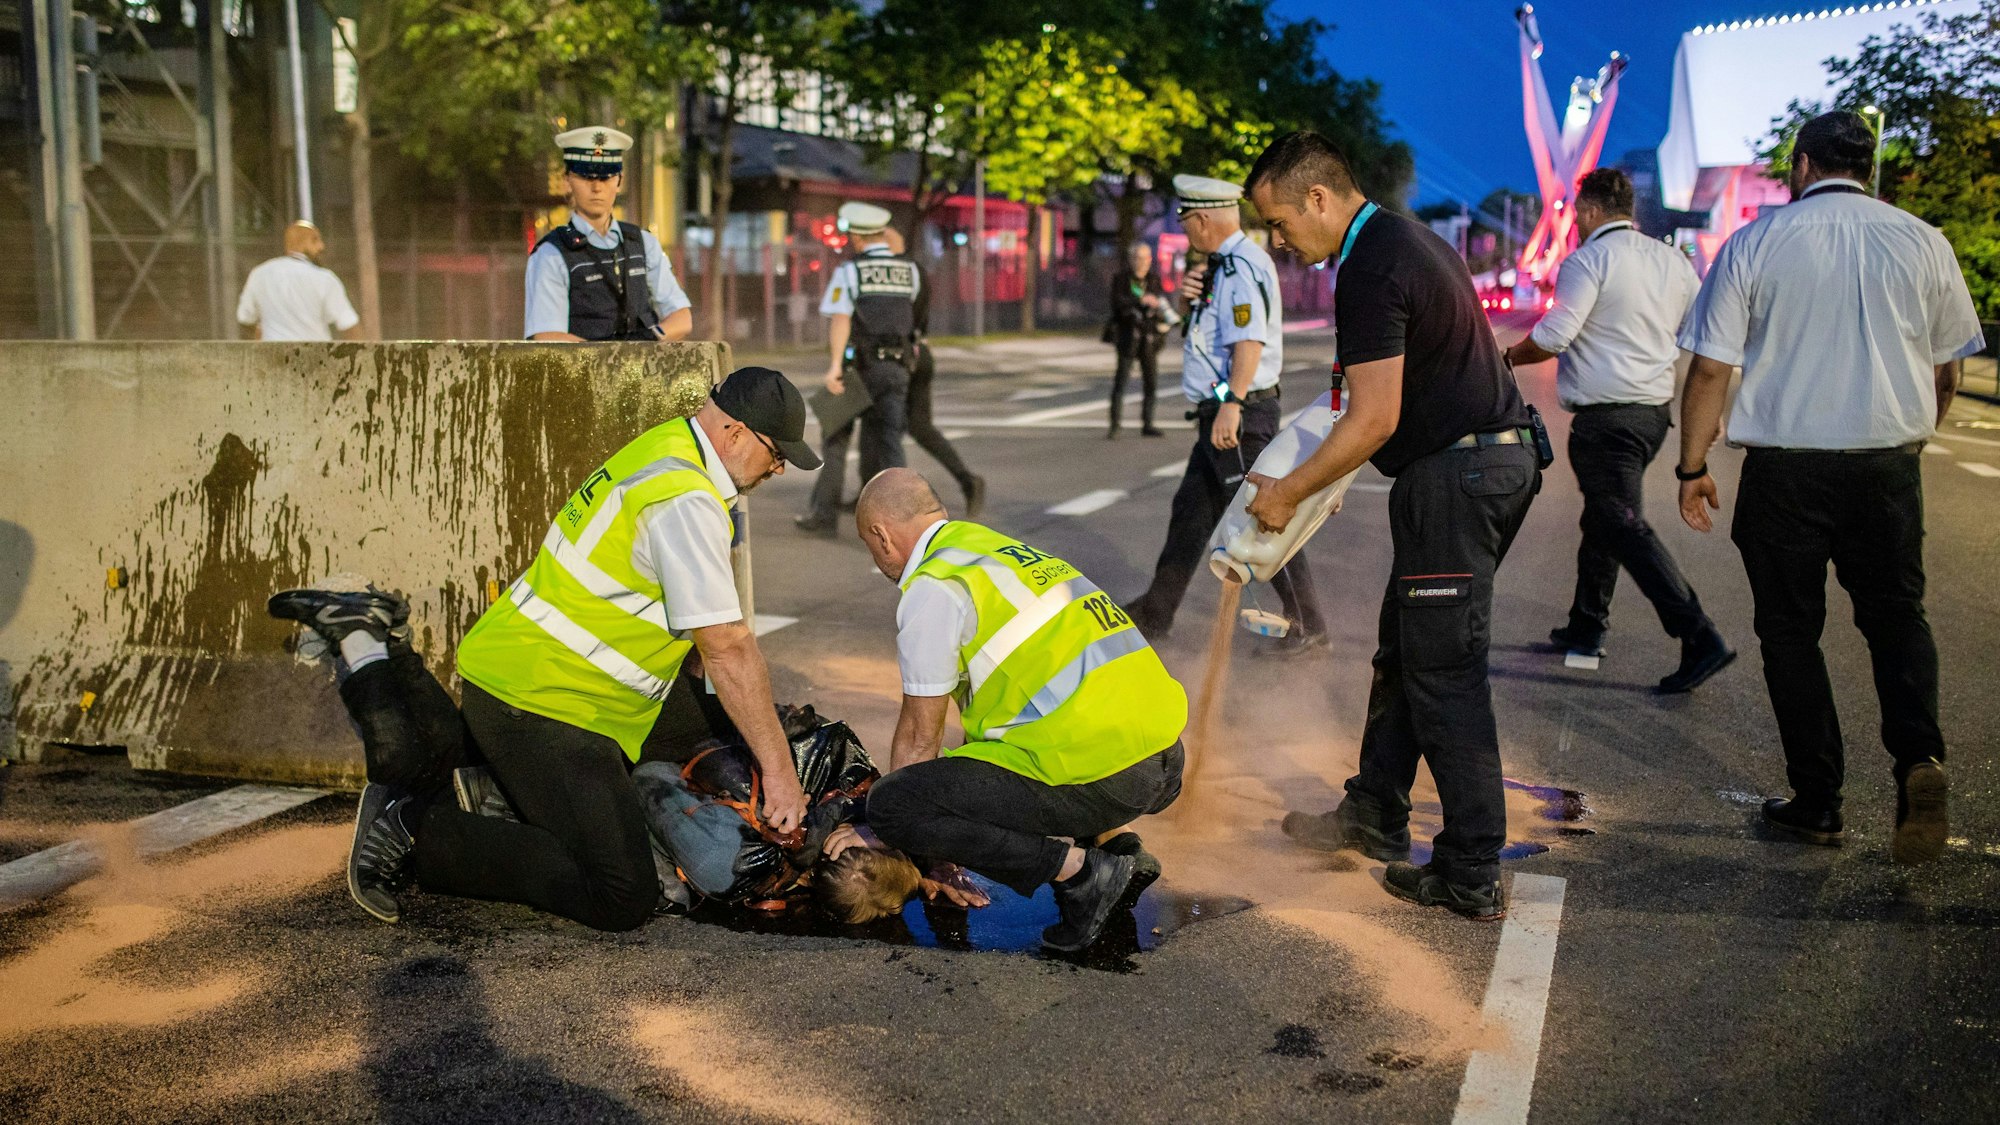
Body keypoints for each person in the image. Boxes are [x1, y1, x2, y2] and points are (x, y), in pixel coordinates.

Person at [269, 367, 823, 930]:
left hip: (552, 674)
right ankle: (415, 830)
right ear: (736, 433)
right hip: (544, 700)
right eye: (777, 454)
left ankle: (484, 780)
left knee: (719, 725)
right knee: (622, 894)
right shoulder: (684, 500)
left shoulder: (670, 448)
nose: (777, 469)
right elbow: (729, 650)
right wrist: (780, 776)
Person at [1674, 110, 1984, 864]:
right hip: (1886, 465)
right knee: (1897, 617)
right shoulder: (1923, 241)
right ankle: (1919, 757)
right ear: (1867, 168)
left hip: (1787, 472)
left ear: (1803, 165)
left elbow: (1711, 368)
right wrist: (1913, 437)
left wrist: (1692, 466)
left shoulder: (1756, 242)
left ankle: (1817, 801)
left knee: (1790, 632)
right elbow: (1948, 370)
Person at [1245, 132, 1539, 921]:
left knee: (1443, 670)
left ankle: (1469, 867)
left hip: (1459, 476)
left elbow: (1373, 416)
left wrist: (1290, 493)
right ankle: (1374, 810)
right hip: (1472, 466)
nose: (1278, 241)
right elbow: (1379, 405)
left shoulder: (1372, 266)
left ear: (1318, 197)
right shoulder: (1405, 239)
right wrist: (1326, 480)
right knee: (1405, 652)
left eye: (1279, 223)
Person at [854, 468, 1188, 952]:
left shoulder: (934, 587)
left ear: (882, 536)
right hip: (1165, 758)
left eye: (869, 544)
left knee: (894, 802)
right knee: (1023, 745)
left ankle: (1083, 875)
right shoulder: (991, 550)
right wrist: (948, 830)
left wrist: (905, 838)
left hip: (1110, 772)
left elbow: (919, 741)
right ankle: (1120, 846)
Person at [1503, 168, 1733, 692]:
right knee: (1604, 517)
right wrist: (1708, 408)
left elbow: (1555, 335)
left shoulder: (1588, 261)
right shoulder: (1673, 262)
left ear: (1588, 210)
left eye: (1577, 213)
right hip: (1650, 418)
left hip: (1607, 423)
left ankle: (1698, 634)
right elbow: (1704, 338)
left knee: (1623, 523)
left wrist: (1508, 358)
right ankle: (1587, 623)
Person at [1121, 174, 1328, 657]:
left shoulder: (1239, 267)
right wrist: (1185, 303)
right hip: (1223, 410)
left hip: (1239, 412)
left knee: (1263, 518)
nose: (1186, 230)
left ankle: (1310, 626)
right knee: (1190, 513)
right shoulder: (1221, 266)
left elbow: (1248, 343)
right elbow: (1206, 336)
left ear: (1203, 218)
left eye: (1187, 221)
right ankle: (1157, 610)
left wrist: (1232, 404)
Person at [797, 202, 921, 535]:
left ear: (857, 236)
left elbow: (841, 319)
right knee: (890, 443)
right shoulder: (909, 271)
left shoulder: (851, 271)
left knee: (835, 436)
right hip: (897, 368)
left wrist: (835, 366)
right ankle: (905, 521)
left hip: (861, 369)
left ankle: (824, 516)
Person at [525, 125, 693, 343]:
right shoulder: (551, 254)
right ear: (567, 181)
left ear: (619, 181)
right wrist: (613, 356)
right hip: (583, 366)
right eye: (586, 177)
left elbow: (682, 318)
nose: (597, 187)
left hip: (643, 363)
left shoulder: (643, 243)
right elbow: (547, 336)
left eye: (606, 177)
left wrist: (647, 339)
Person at [235, 220, 361, 341]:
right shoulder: (324, 279)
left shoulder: (260, 274)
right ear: (298, 242)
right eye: (315, 240)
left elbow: (245, 318)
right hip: (315, 354)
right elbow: (349, 326)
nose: (321, 246)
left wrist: (260, 337)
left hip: (273, 354)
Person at [1107, 241, 1170, 438]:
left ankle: (1148, 422)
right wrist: (1140, 301)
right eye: (1137, 258)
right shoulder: (1121, 279)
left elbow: (1162, 303)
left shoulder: (1154, 280)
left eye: (1145, 258)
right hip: (1128, 335)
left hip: (1149, 337)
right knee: (1121, 381)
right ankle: (1115, 424)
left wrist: (1158, 308)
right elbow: (1117, 303)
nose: (1141, 262)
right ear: (1130, 259)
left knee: (1151, 382)